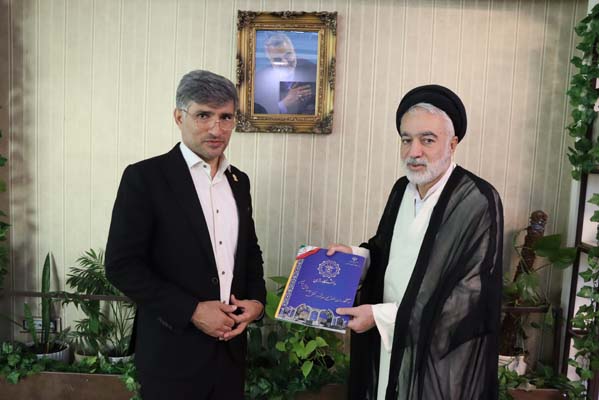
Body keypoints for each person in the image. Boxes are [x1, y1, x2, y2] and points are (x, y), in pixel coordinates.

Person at [328, 85, 503, 400]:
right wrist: (354, 257)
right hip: (389, 345)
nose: (414, 151)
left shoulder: (476, 200)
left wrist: (383, 317)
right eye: (406, 140)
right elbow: (385, 250)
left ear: (453, 143)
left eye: (428, 140)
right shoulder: (402, 189)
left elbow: (470, 295)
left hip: (441, 361)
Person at [105, 70, 266, 400]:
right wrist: (192, 310)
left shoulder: (239, 181)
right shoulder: (145, 178)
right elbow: (121, 266)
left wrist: (257, 302)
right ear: (179, 117)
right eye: (203, 115)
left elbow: (249, 250)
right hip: (171, 352)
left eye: (226, 117)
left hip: (230, 354)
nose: (216, 129)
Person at [254, 32, 317, 114]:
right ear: (269, 60)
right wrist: (283, 104)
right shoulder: (258, 81)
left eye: (288, 55)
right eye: (277, 59)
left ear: (295, 52)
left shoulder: (314, 71)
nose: (285, 63)